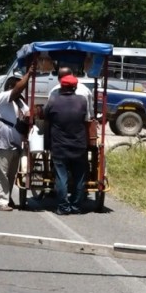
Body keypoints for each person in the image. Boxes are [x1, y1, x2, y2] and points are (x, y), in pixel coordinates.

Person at [0, 64, 34, 211]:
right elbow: (17, 90)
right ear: (11, 87)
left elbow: (28, 114)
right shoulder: (2, 98)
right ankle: (2, 202)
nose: (22, 89)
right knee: (0, 173)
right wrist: (28, 74)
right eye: (19, 86)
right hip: (2, 142)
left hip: (16, 143)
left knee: (11, 174)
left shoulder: (20, 102)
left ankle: (8, 199)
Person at [44, 74, 89, 215]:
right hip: (79, 145)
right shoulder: (82, 101)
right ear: (75, 87)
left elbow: (45, 116)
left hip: (59, 146)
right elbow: (87, 118)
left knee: (61, 177)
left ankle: (63, 207)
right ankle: (76, 206)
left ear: (61, 86)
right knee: (79, 177)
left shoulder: (53, 101)